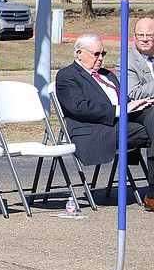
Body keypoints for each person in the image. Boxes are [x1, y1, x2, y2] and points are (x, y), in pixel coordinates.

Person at [56, 32, 154, 210]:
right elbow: (79, 107)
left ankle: (153, 193)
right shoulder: (67, 75)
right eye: (96, 54)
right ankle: (153, 194)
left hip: (121, 120)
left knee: (152, 115)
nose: (100, 58)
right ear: (79, 53)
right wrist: (120, 110)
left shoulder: (106, 75)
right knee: (150, 131)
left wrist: (134, 104)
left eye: (103, 54)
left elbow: (121, 99)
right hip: (96, 128)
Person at [115, 17, 154, 100]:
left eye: (149, 35)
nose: (144, 39)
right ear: (134, 37)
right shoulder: (125, 63)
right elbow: (133, 93)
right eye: (140, 35)